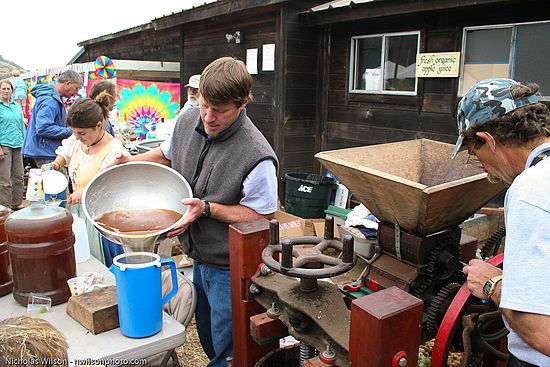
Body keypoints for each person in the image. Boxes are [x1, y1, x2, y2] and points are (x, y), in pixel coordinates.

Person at [113, 57, 278, 366]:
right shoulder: (189, 119)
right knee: (205, 332)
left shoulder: (257, 155)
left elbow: (264, 217)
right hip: (196, 256)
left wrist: (207, 209)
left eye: (220, 110)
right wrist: (130, 163)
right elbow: (166, 154)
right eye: (204, 105)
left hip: (229, 267)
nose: (208, 117)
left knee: (226, 343)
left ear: (243, 103)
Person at [453, 78, 550, 366]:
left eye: (474, 153)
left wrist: (491, 284)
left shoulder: (531, 189)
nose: (481, 167)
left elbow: (542, 333)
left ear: (487, 140)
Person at [43, 92, 125, 264]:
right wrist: (55, 165)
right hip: (79, 213)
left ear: (99, 126)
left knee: (97, 262)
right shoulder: (78, 140)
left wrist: (86, 191)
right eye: (75, 133)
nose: (78, 138)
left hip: (101, 219)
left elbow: (111, 184)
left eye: (82, 134)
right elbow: (65, 153)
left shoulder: (114, 151)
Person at [23, 70, 83, 168]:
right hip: (46, 152)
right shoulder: (50, 100)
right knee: (56, 182)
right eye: (76, 88)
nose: (76, 93)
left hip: (45, 150)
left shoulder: (53, 99)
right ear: (68, 84)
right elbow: (43, 127)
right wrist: (70, 131)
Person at [0, 80, 25, 210]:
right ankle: (5, 207)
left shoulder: (16, 106)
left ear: (12, 91)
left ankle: (17, 203)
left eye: (8, 89)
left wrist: (25, 143)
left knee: (19, 176)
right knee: (5, 180)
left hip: (18, 144)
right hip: (4, 145)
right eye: (3, 88)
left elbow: (21, 126)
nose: (6, 91)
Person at [88, 80, 125, 144]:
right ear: (108, 97)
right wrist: (118, 141)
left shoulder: (94, 113)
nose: (115, 99)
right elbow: (103, 145)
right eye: (114, 96)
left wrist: (115, 137)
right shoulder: (100, 118)